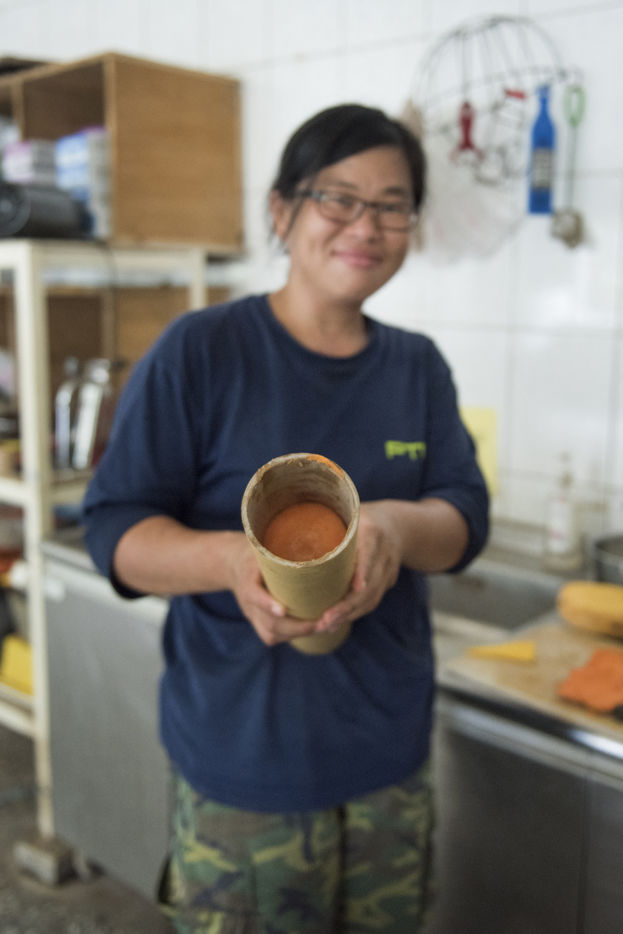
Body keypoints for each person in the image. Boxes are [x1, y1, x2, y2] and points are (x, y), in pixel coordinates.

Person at [83, 102, 489, 933]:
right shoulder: (200, 351)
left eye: (391, 206)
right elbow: (115, 530)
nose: (365, 226)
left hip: (387, 759)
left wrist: (393, 528)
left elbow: (463, 517)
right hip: (244, 766)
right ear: (281, 210)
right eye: (338, 198)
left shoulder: (416, 367)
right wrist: (235, 562)